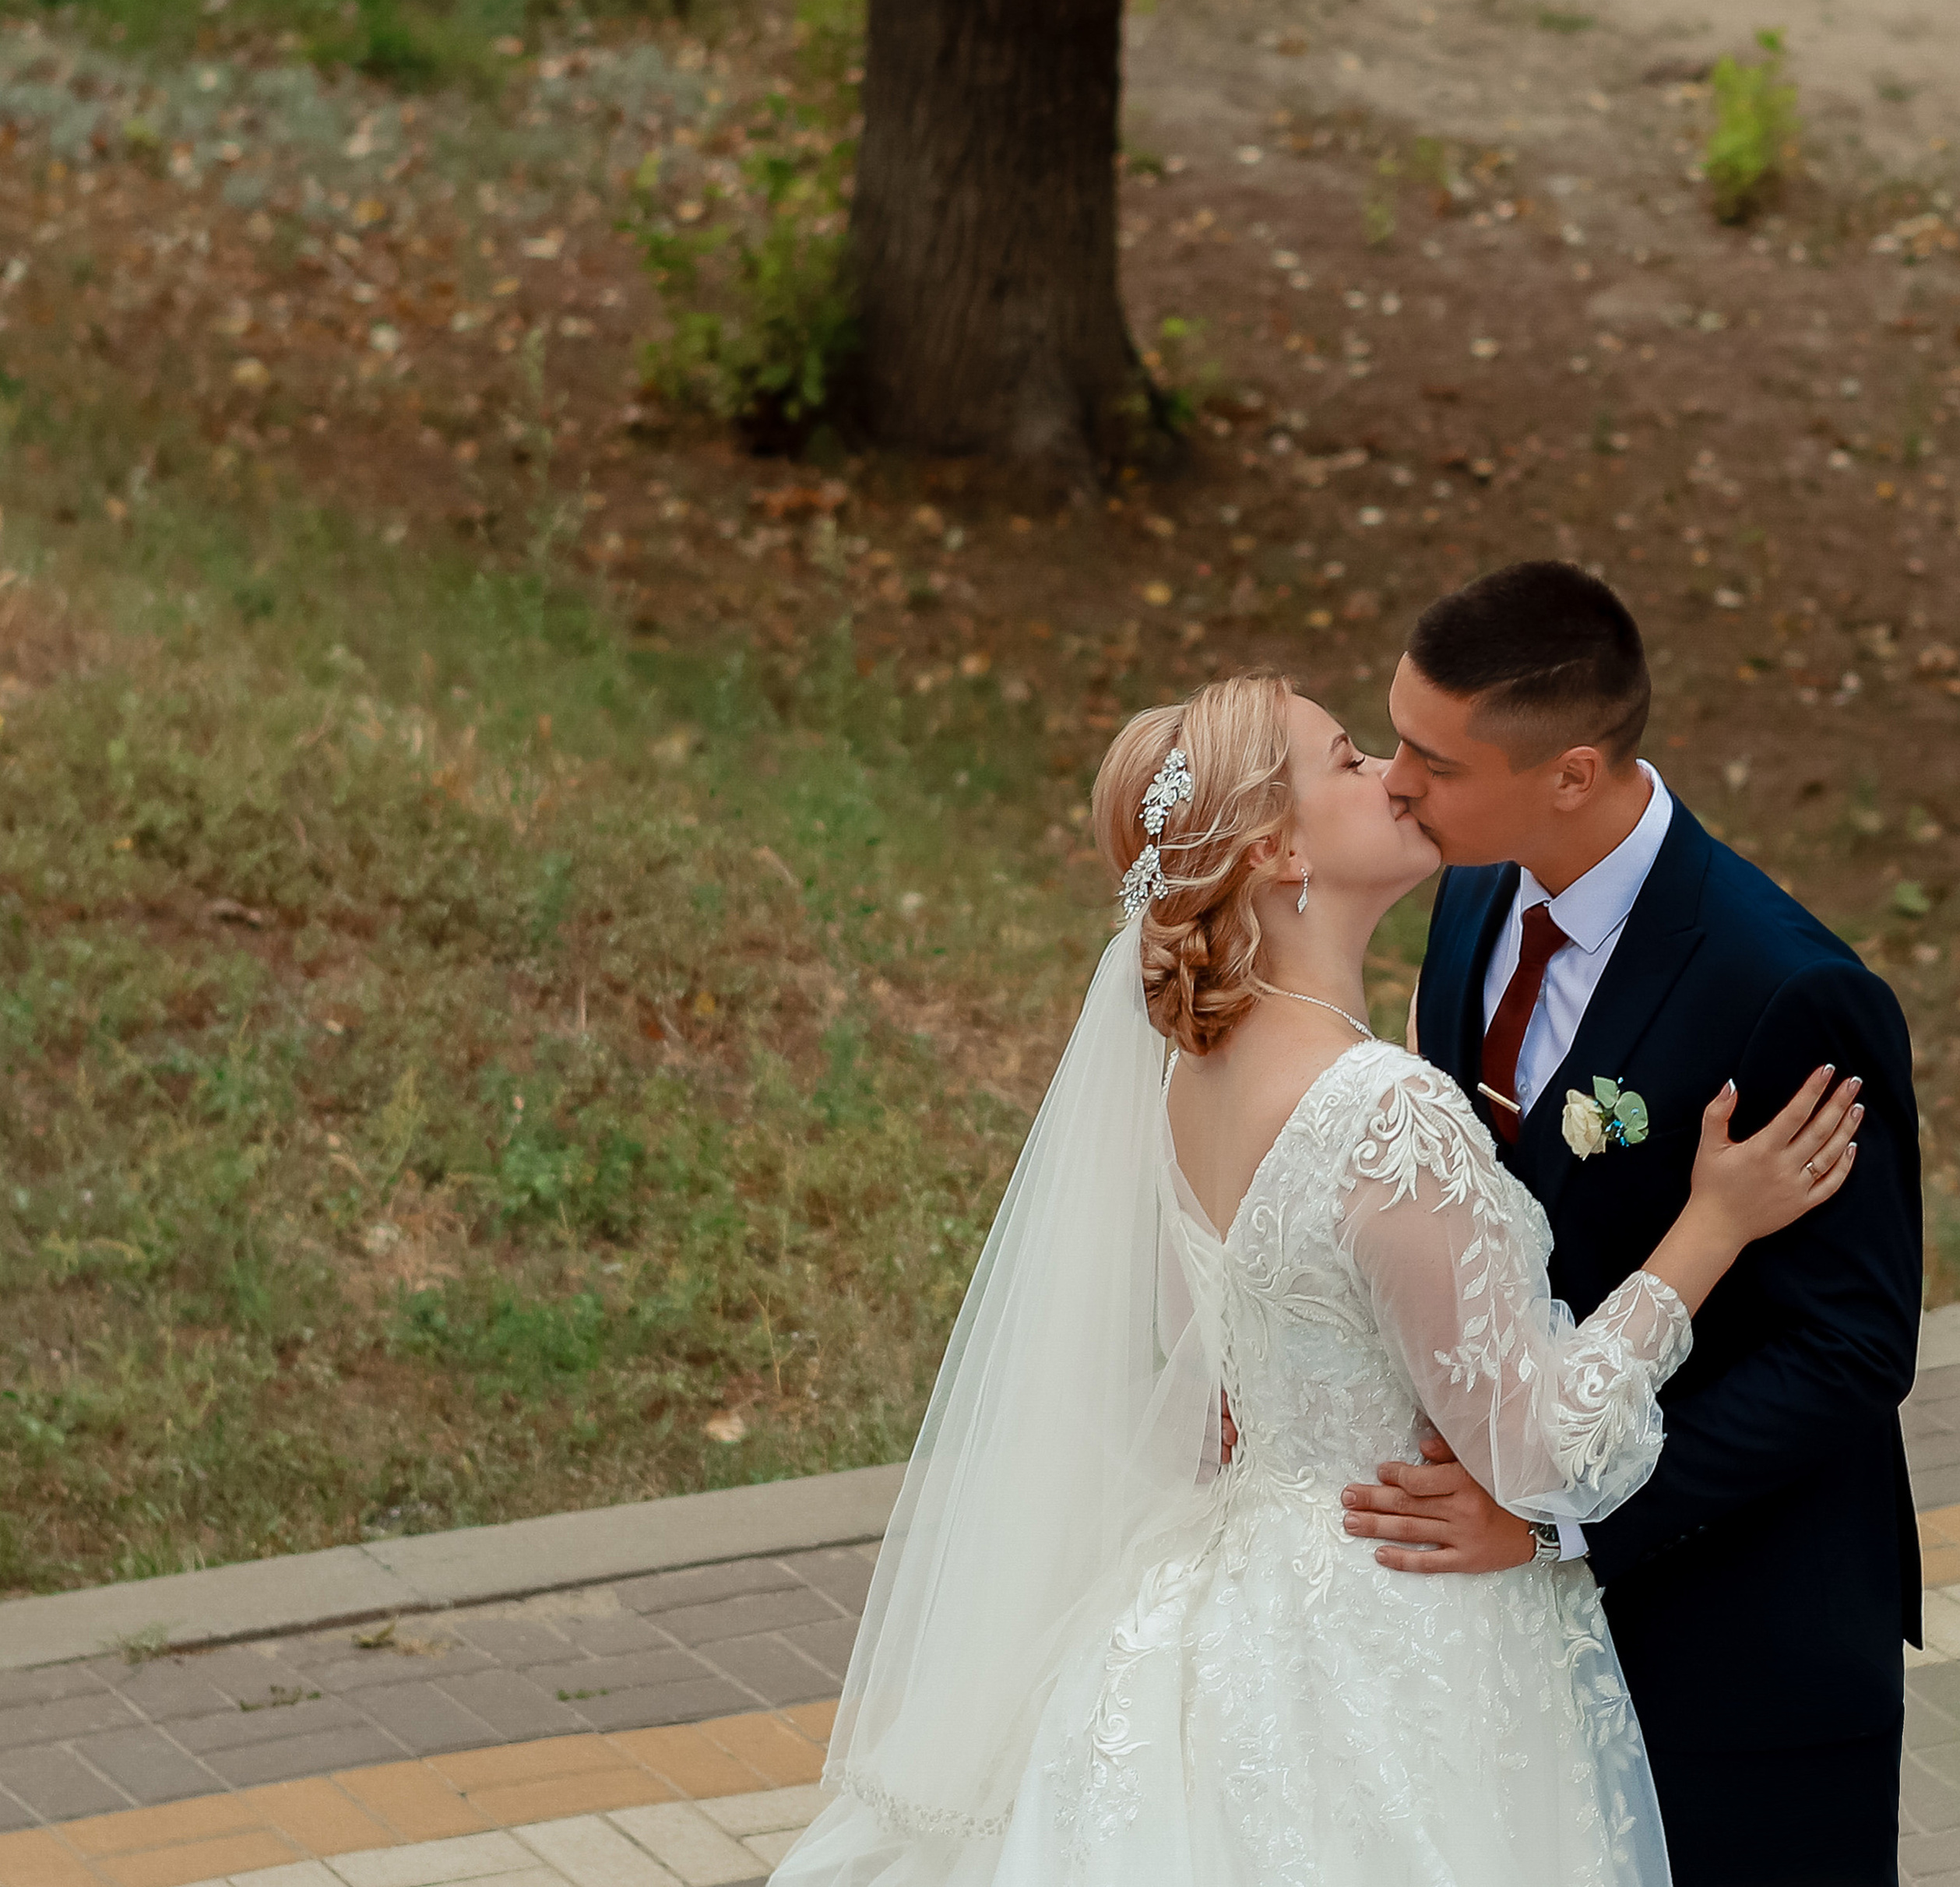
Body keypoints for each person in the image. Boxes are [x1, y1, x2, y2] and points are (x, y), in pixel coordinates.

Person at [774, 670, 1860, 1887]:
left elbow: (1224, 1393)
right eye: (1349, 759)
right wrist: (1711, 1227)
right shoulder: (1380, 1109)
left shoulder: (1192, 1077)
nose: (1393, 777)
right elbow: (1543, 1455)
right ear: (1275, 846)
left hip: (1233, 1610)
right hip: (1397, 1633)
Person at [1342, 560, 1920, 1887]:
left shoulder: (1792, 994)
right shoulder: (1477, 889)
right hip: (1529, 1644)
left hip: (1739, 1637)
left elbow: (1850, 1350)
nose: (1395, 784)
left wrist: (1562, 1525)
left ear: (1571, 772)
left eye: (1435, 761)